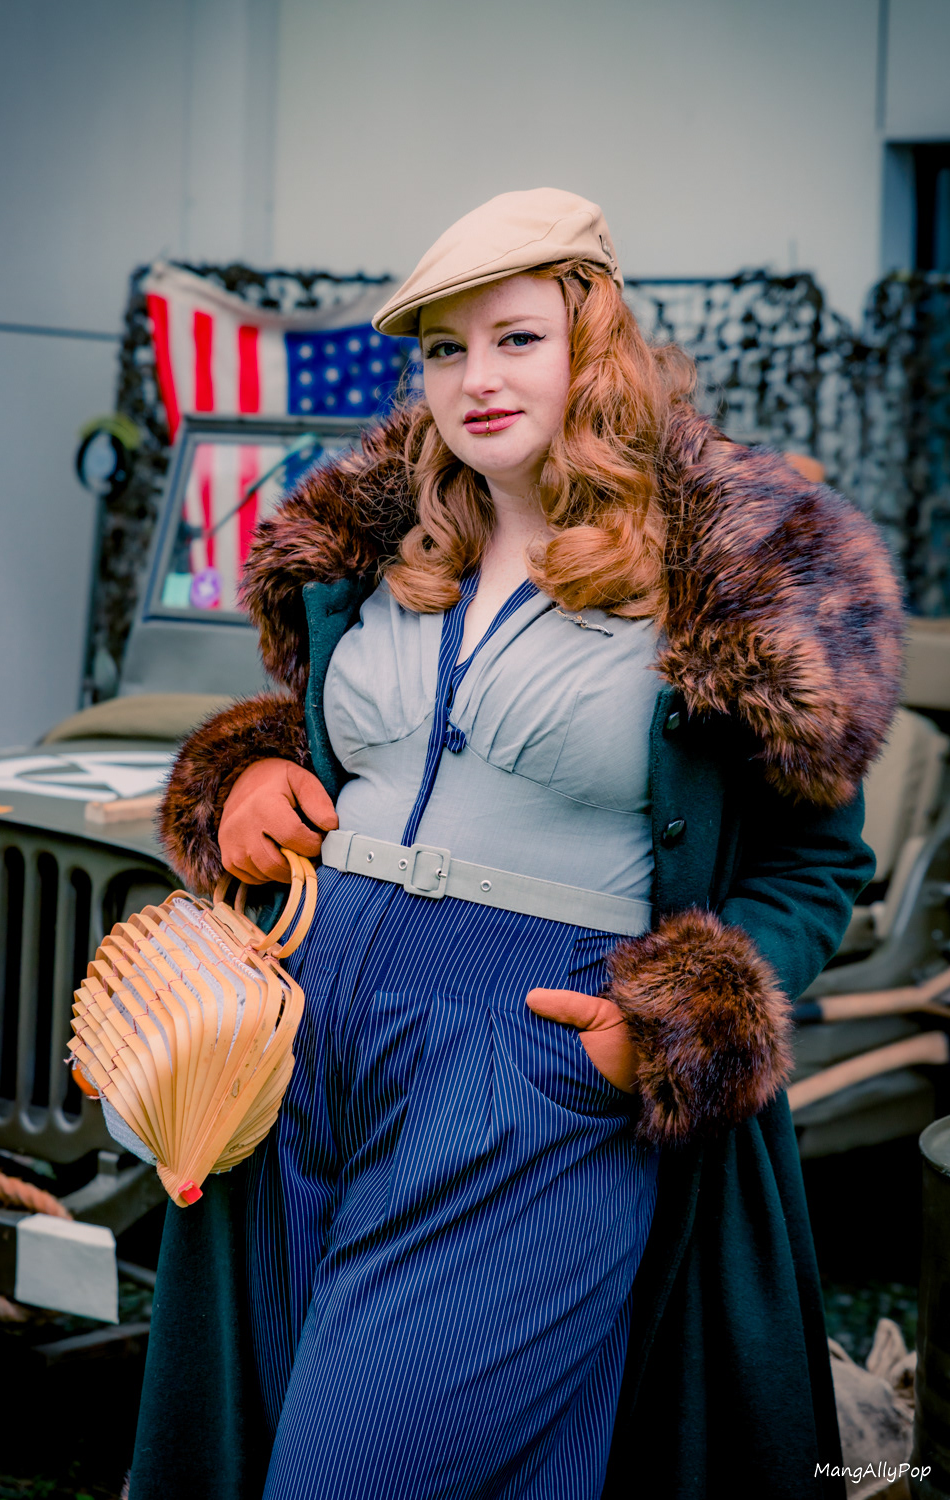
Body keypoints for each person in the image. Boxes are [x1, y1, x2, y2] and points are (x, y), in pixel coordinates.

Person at [130, 189, 902, 1500]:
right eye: (445, 349)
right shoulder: (379, 542)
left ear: (593, 344)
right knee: (255, 1442)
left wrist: (658, 1031)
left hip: (528, 1067)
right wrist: (246, 780)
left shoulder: (736, 567)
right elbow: (342, 749)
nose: (475, 379)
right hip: (288, 1057)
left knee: (352, 1474)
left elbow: (815, 866)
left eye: (516, 339)